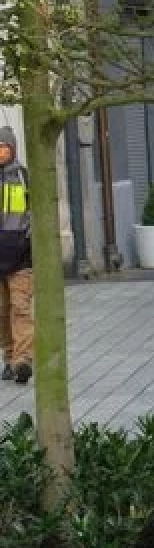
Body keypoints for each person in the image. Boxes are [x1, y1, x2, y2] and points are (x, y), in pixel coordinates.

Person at [0, 127, 31, 386]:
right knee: (2, 312)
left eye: (4, 147)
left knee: (20, 308)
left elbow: (35, 213)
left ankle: (22, 361)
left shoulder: (24, 177)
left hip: (21, 255)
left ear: (13, 149)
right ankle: (9, 357)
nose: (0, 152)